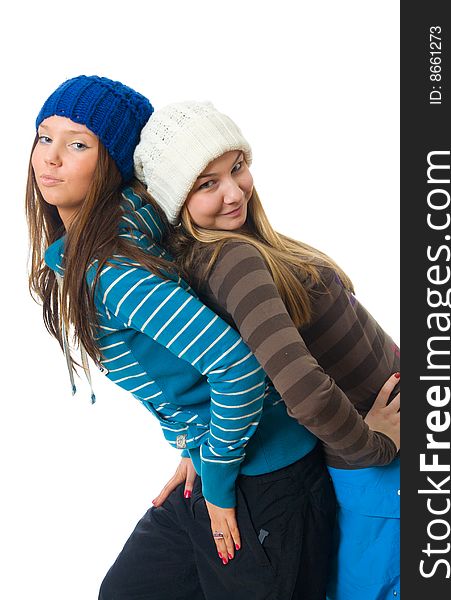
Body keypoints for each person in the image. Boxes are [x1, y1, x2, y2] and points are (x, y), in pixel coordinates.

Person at [26, 75, 348, 600]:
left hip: (264, 481)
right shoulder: (111, 239)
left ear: (114, 164)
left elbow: (238, 367)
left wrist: (217, 478)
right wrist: (194, 450)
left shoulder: (112, 270)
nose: (51, 158)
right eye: (44, 137)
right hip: (219, 460)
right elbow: (189, 365)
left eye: (78, 144)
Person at [133, 101, 401, 600]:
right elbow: (301, 390)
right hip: (380, 471)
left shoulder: (245, 245)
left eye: (237, 167)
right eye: (207, 184)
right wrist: (374, 446)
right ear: (175, 199)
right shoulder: (231, 258)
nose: (234, 192)